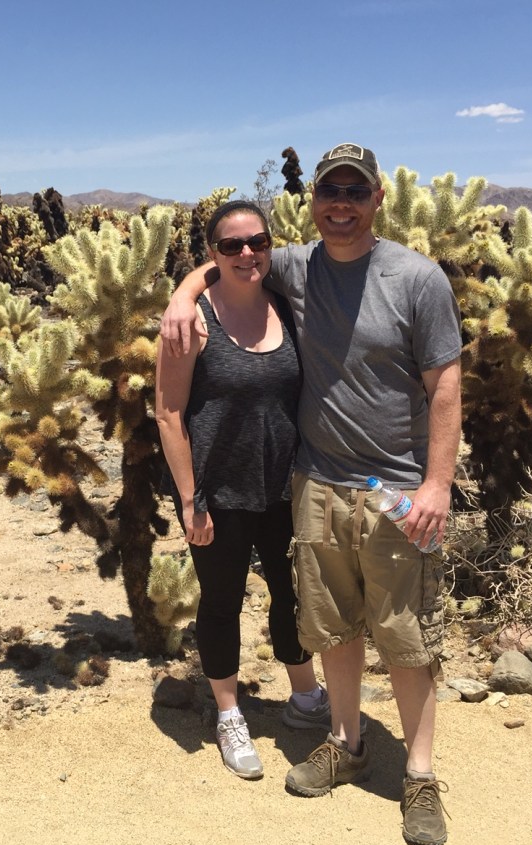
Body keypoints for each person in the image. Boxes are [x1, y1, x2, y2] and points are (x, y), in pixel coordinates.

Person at [160, 144, 462, 845]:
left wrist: (438, 483)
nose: (343, 203)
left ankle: (418, 773)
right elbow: (228, 259)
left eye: (356, 191)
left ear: (378, 197)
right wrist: (182, 293)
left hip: (395, 489)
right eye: (331, 190)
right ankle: (346, 739)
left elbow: (445, 385)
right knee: (336, 626)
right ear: (314, 199)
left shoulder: (418, 279)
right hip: (319, 482)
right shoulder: (295, 265)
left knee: (408, 635)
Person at [154, 200, 328, 780]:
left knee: (292, 592)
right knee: (223, 600)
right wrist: (189, 497)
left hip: (286, 485)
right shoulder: (193, 321)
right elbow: (168, 411)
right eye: (231, 246)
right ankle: (229, 711)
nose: (246, 253)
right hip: (219, 491)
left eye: (257, 242)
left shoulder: (286, 304)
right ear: (213, 254)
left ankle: (304, 694)